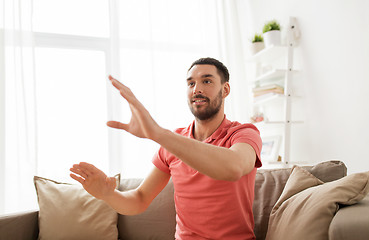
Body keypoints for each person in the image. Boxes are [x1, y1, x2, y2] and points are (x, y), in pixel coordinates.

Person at [70, 57, 262, 240]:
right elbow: (139, 198)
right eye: (191, 83)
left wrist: (158, 133)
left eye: (207, 81)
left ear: (225, 89)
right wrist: (107, 194)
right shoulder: (173, 142)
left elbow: (234, 167)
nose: (197, 89)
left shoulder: (243, 133)